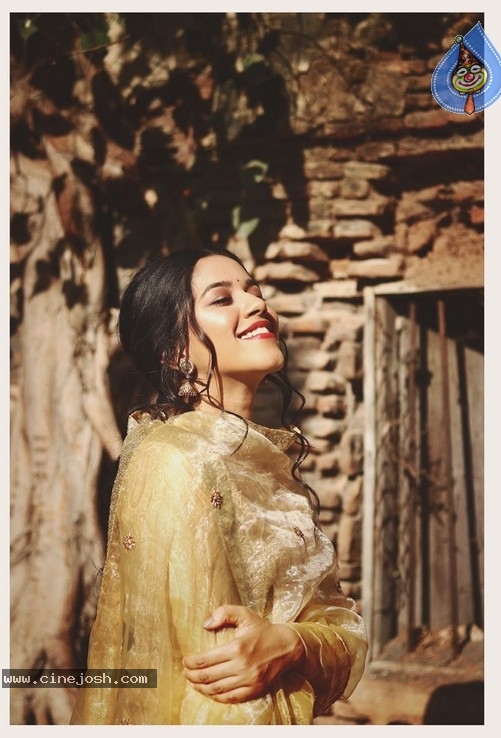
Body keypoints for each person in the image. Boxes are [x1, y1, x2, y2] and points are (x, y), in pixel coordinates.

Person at [70, 247, 368, 725]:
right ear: (174, 351)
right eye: (223, 298)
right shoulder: (175, 459)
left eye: (254, 291)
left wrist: (291, 643)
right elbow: (213, 677)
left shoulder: (263, 461)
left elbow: (337, 624)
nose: (258, 304)